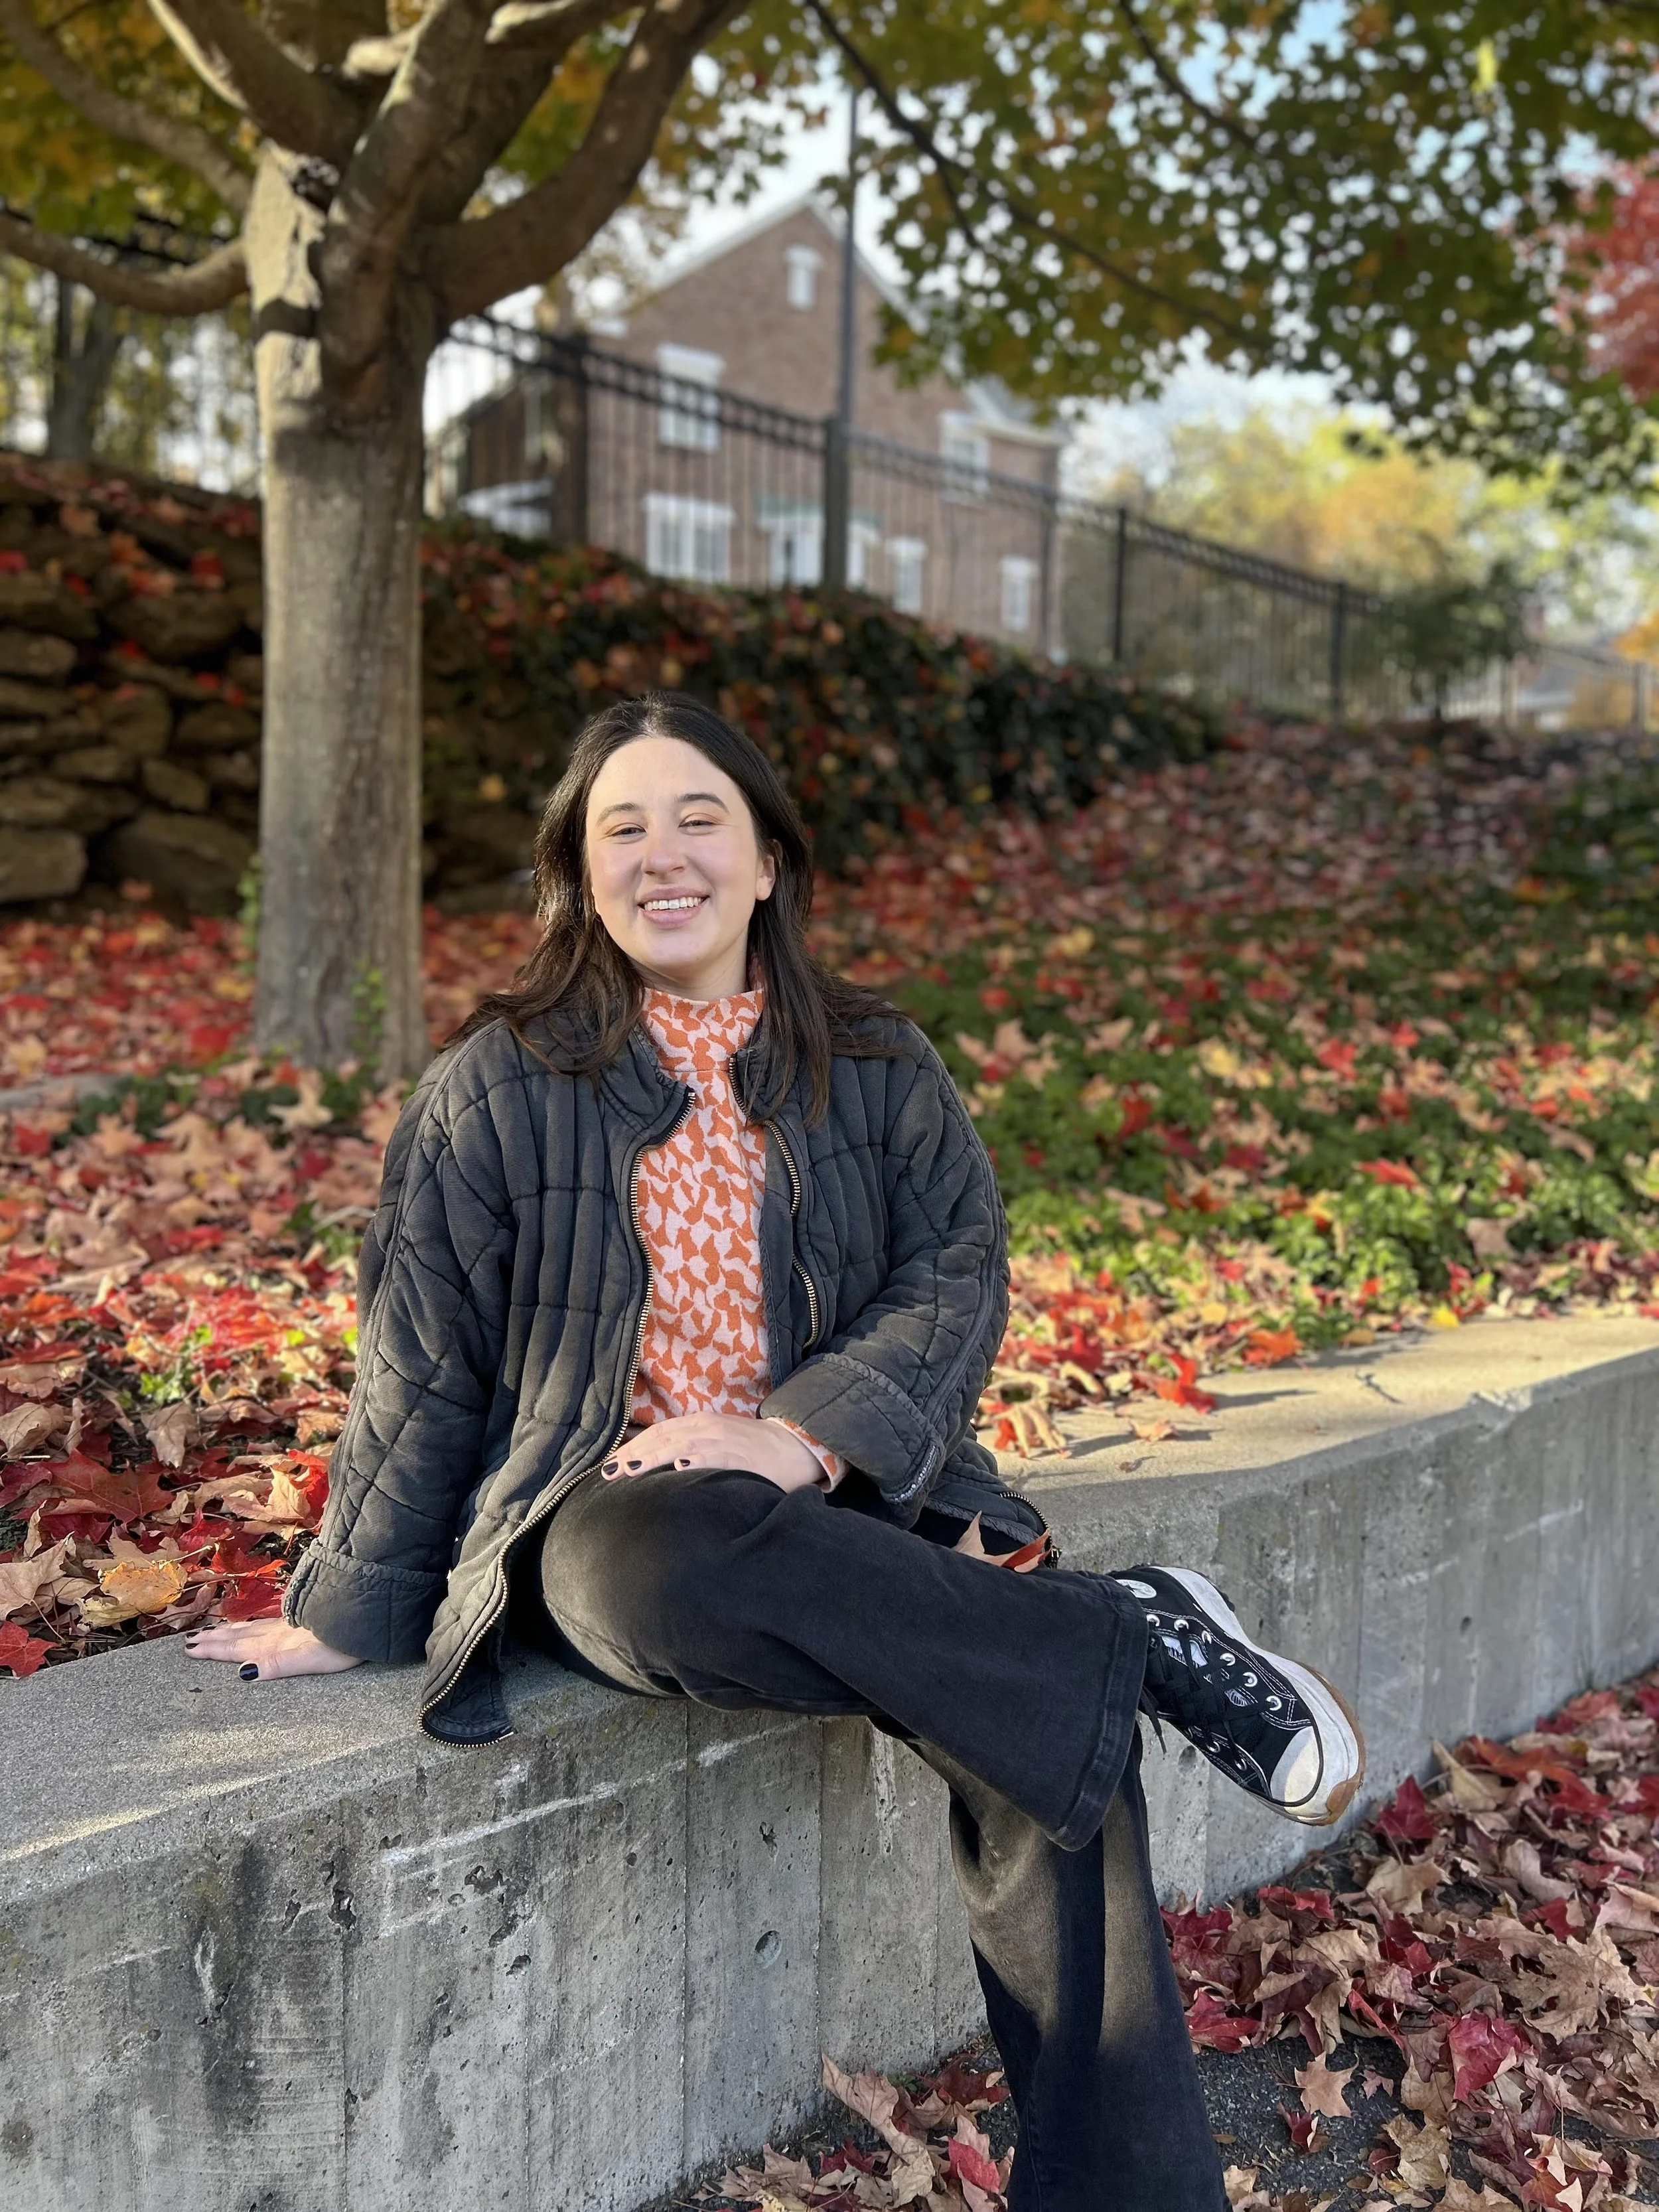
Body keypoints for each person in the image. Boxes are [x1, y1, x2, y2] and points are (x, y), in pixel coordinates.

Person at [187, 692, 1364, 2211]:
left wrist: (801, 1437)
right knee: (727, 1577)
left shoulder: (874, 1063)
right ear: (578, 874)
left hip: (859, 1498)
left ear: (764, 865)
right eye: (621, 828)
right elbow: (423, 1361)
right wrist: (350, 1607)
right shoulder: (492, 1089)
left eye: (700, 821)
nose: (661, 855)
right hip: (616, 1519)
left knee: (1035, 1716)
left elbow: (955, 1274)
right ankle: (1124, 1630)